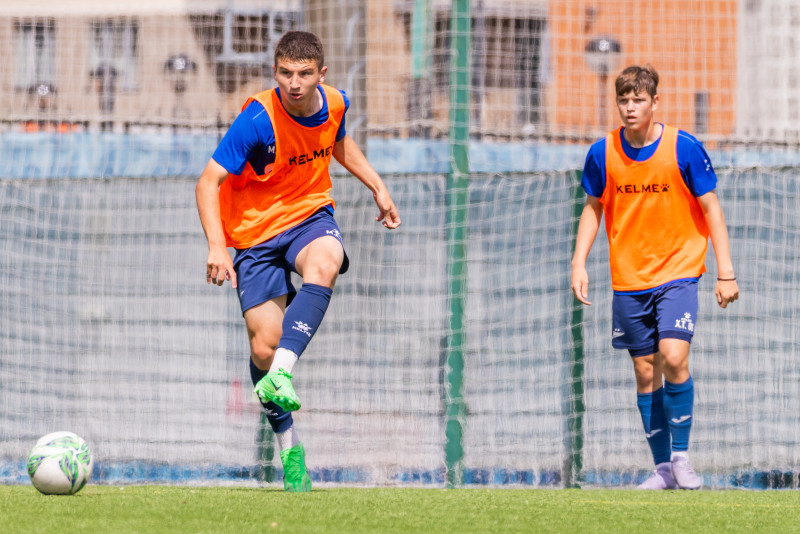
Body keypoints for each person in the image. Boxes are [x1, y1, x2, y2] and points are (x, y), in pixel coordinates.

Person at [195, 31, 401, 492]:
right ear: (276, 72)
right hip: (254, 234)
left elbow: (338, 142)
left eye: (304, 74)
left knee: (326, 260)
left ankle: (282, 373)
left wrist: (376, 185)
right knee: (263, 350)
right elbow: (208, 182)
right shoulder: (257, 119)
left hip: (309, 215)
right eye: (286, 73)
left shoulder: (336, 103)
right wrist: (215, 246)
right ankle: (289, 447)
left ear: (320, 75)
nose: (294, 83)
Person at [570, 64, 739, 490]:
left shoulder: (684, 147)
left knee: (675, 357)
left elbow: (711, 208)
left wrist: (726, 273)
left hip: (679, 272)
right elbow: (593, 207)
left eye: (638, 100)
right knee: (646, 371)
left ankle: (682, 457)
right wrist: (579, 262)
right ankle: (663, 469)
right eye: (623, 101)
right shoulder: (602, 153)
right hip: (629, 278)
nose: (630, 108)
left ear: (654, 102)